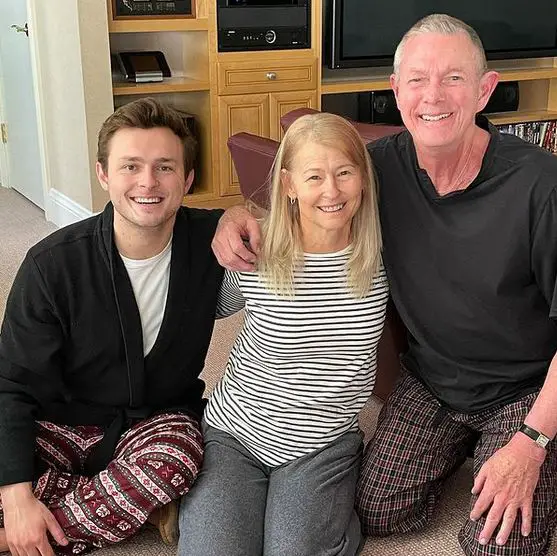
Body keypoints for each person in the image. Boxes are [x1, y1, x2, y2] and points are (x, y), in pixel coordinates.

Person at [210, 14, 557, 556]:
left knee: (500, 543)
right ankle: (468, 447)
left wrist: (532, 443)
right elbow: (307, 186)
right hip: (433, 381)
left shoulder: (541, 184)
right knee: (378, 512)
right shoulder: (372, 172)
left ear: (486, 89)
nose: (433, 95)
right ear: (395, 91)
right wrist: (235, 212)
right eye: (417, 78)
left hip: (525, 389)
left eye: (454, 78)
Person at [0, 97, 224, 555]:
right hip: (58, 421)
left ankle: (16, 538)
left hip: (151, 425)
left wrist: (242, 213)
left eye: (165, 167)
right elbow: (11, 385)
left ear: (188, 180)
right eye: (130, 166)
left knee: (179, 455)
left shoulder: (213, 243)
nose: (147, 182)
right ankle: (128, 504)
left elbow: (286, 223)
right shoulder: (51, 265)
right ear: (104, 175)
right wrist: (16, 494)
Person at [178, 112, 389, 556]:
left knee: (293, 550)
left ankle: (330, 512)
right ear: (290, 184)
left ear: (363, 178)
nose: (331, 190)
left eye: (344, 173)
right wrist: (227, 215)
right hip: (235, 430)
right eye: (314, 176)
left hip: (324, 441)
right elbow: (195, 313)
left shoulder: (383, 256)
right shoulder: (258, 250)